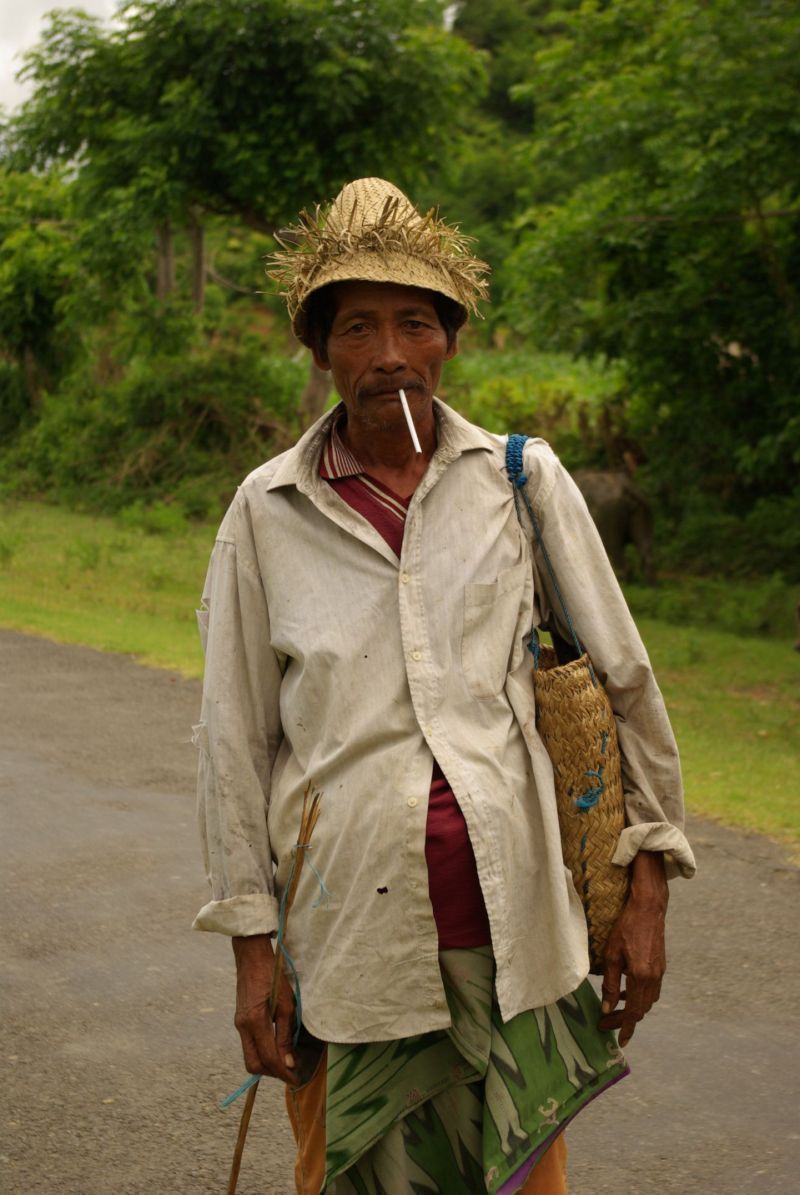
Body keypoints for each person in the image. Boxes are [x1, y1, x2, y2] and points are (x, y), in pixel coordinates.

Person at [193, 177, 696, 1194]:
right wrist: (252, 950)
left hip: (516, 942)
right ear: (320, 350)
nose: (386, 355)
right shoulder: (265, 511)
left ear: (448, 339)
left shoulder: (519, 480)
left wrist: (646, 892)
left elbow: (623, 682)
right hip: (350, 954)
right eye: (357, 328)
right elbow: (232, 739)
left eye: (413, 323)